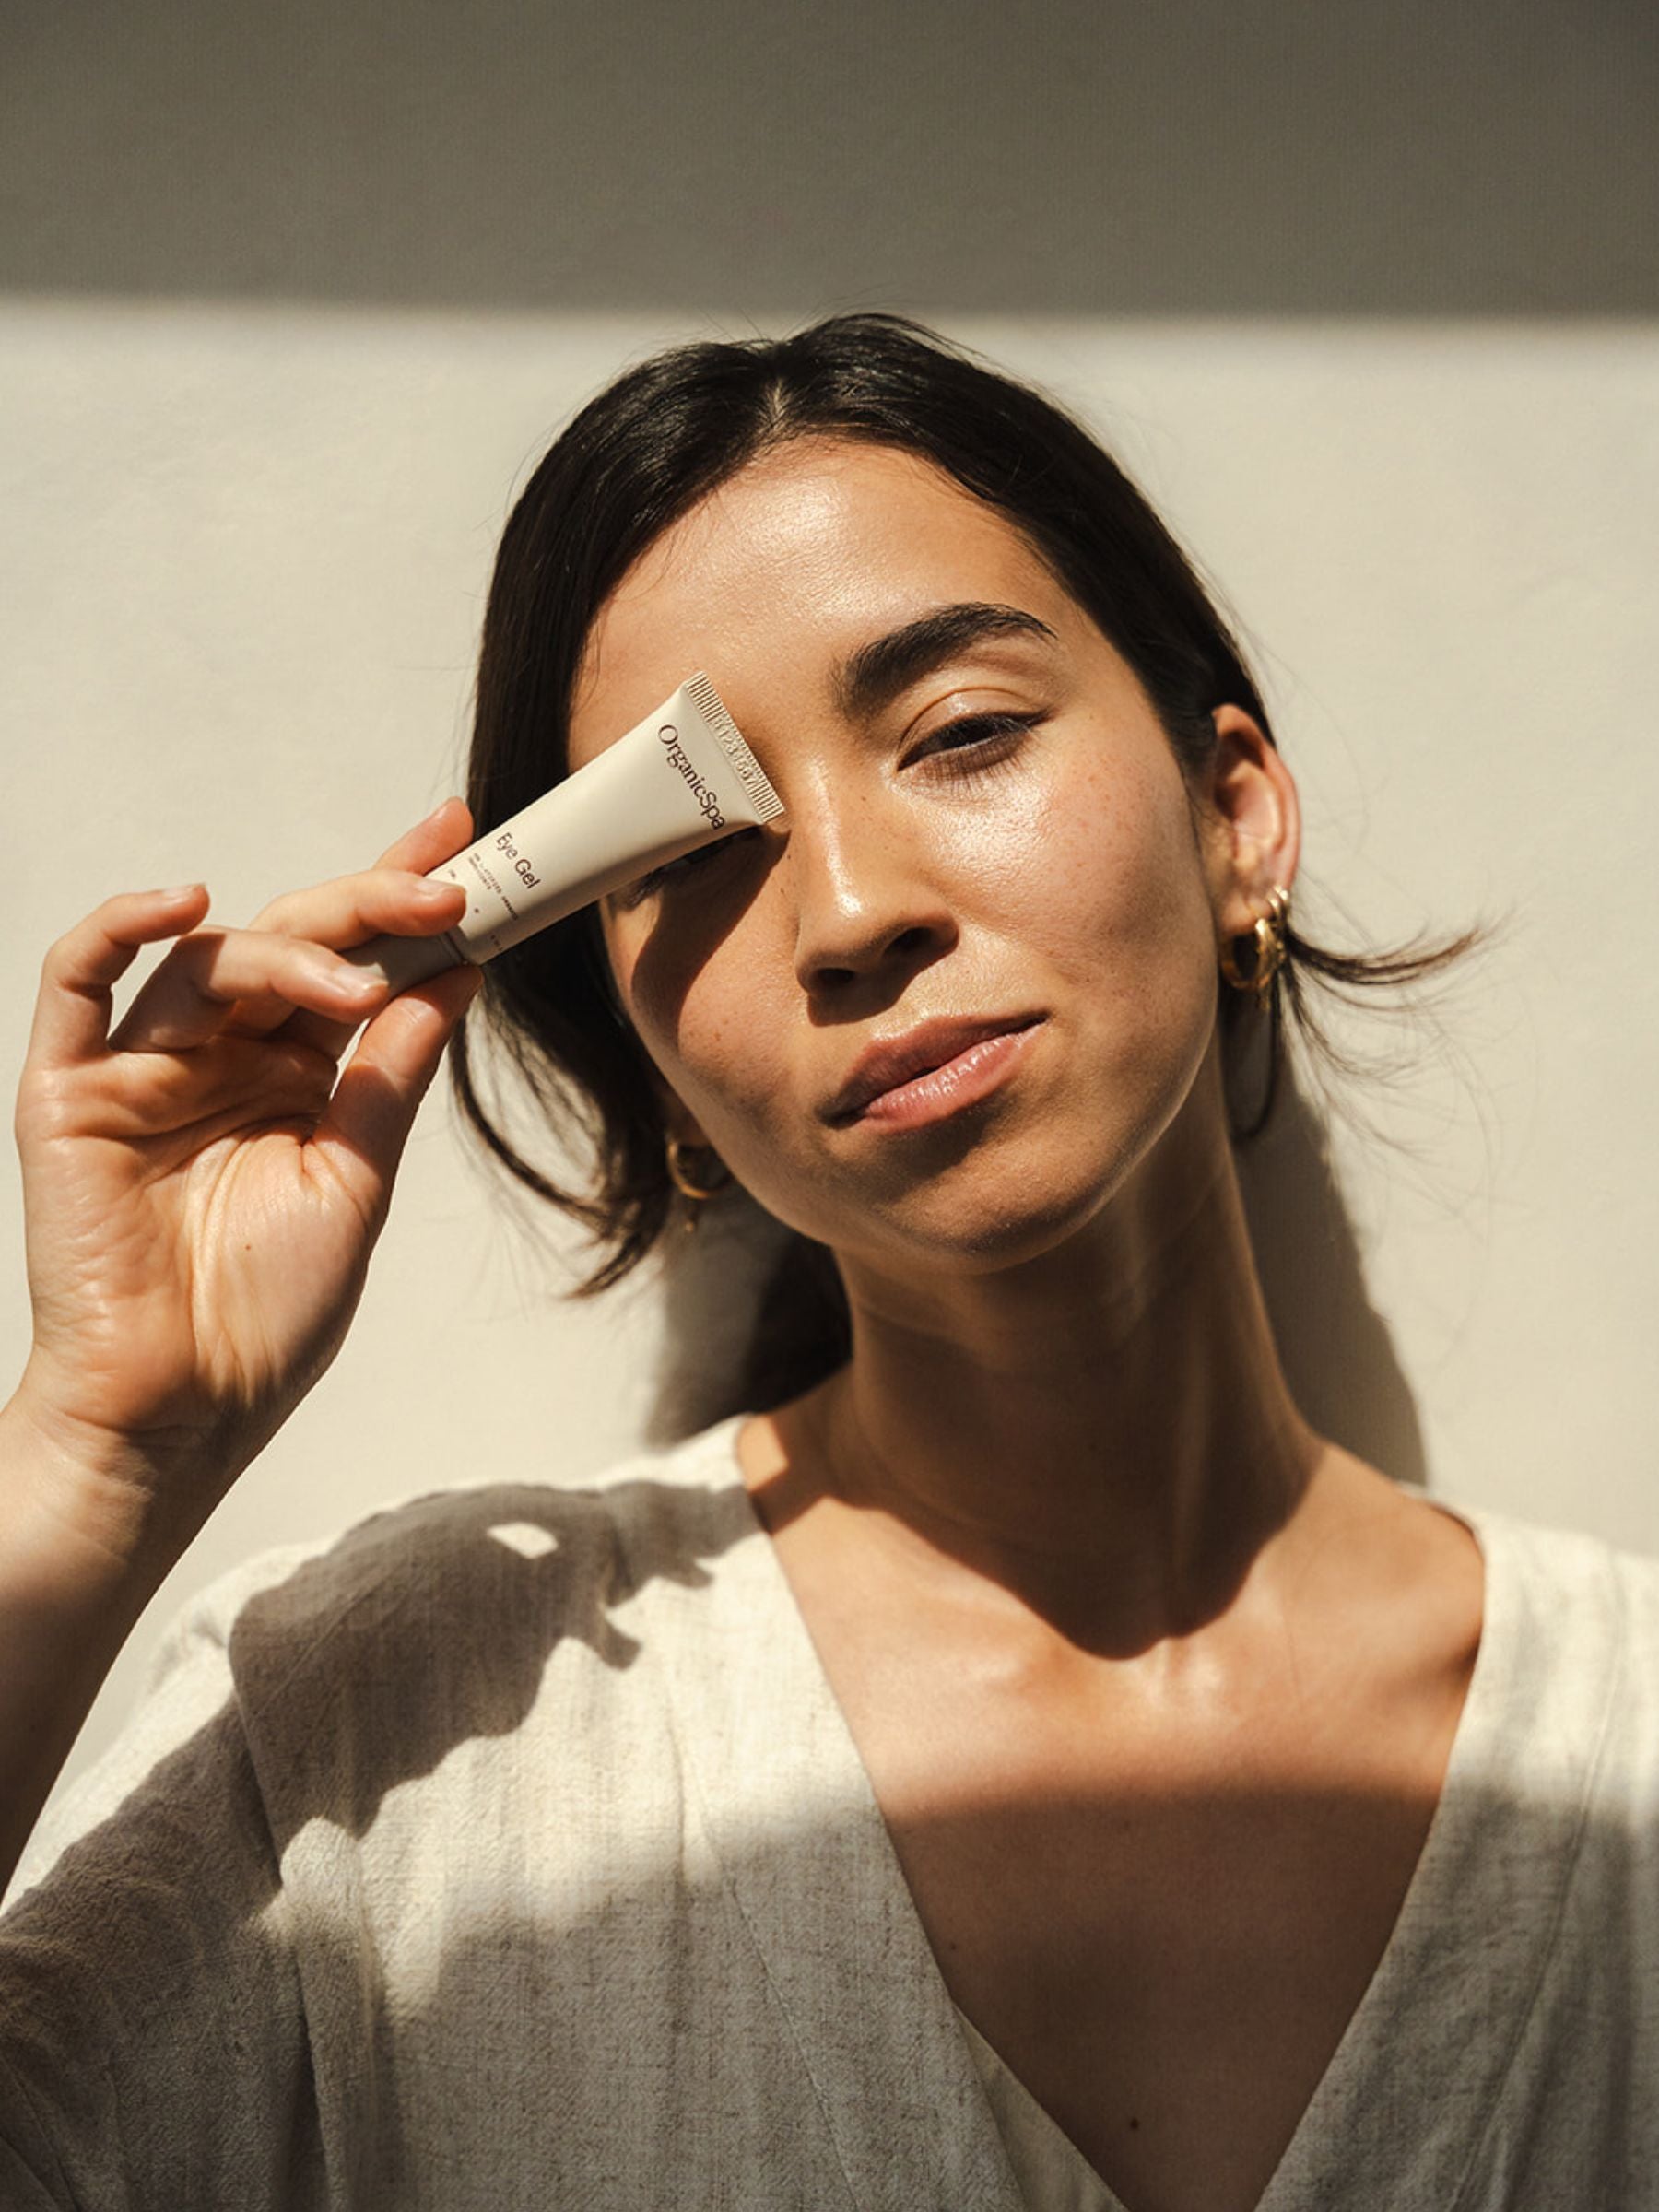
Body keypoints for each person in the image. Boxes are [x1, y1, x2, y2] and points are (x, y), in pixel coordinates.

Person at [0, 315, 1653, 2212]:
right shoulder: (386, 1737)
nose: (854, 912)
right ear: (658, 1070)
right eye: (701, 851)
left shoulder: (1631, 1760)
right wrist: (91, 1454)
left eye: (960, 736)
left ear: (1236, 821)